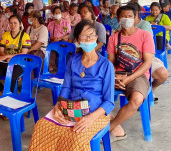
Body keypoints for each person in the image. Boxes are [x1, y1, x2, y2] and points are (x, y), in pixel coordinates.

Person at [29, 20, 114, 151]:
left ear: (97, 38)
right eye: (84, 36)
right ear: (78, 41)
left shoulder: (106, 65)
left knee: (75, 137)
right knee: (41, 126)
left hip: (96, 112)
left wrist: (90, 119)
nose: (88, 39)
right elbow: (67, 87)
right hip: (72, 108)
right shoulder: (73, 60)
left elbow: (109, 102)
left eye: (91, 35)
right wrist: (58, 106)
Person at [107, 5, 154, 140]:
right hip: (118, 74)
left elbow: (147, 63)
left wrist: (128, 79)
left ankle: (110, 126)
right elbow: (111, 62)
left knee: (136, 100)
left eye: (129, 17)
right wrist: (113, 77)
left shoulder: (145, 35)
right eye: (123, 16)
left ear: (135, 18)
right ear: (118, 18)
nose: (126, 19)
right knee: (94, 90)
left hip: (138, 75)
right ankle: (115, 129)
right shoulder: (114, 38)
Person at [125, 3, 169, 100]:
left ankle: (151, 88)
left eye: (129, 15)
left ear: (136, 13)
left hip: (143, 57)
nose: (126, 18)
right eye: (124, 16)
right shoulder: (122, 26)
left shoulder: (144, 25)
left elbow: (145, 48)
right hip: (125, 59)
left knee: (163, 74)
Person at [0, 14, 31, 92]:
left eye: (15, 23)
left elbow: (23, 54)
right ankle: (4, 92)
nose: (13, 25)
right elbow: (0, 50)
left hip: (20, 63)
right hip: (5, 62)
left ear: (20, 24)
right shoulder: (5, 35)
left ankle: (10, 96)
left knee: (12, 78)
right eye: (11, 23)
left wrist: (8, 57)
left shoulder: (25, 36)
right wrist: (6, 57)